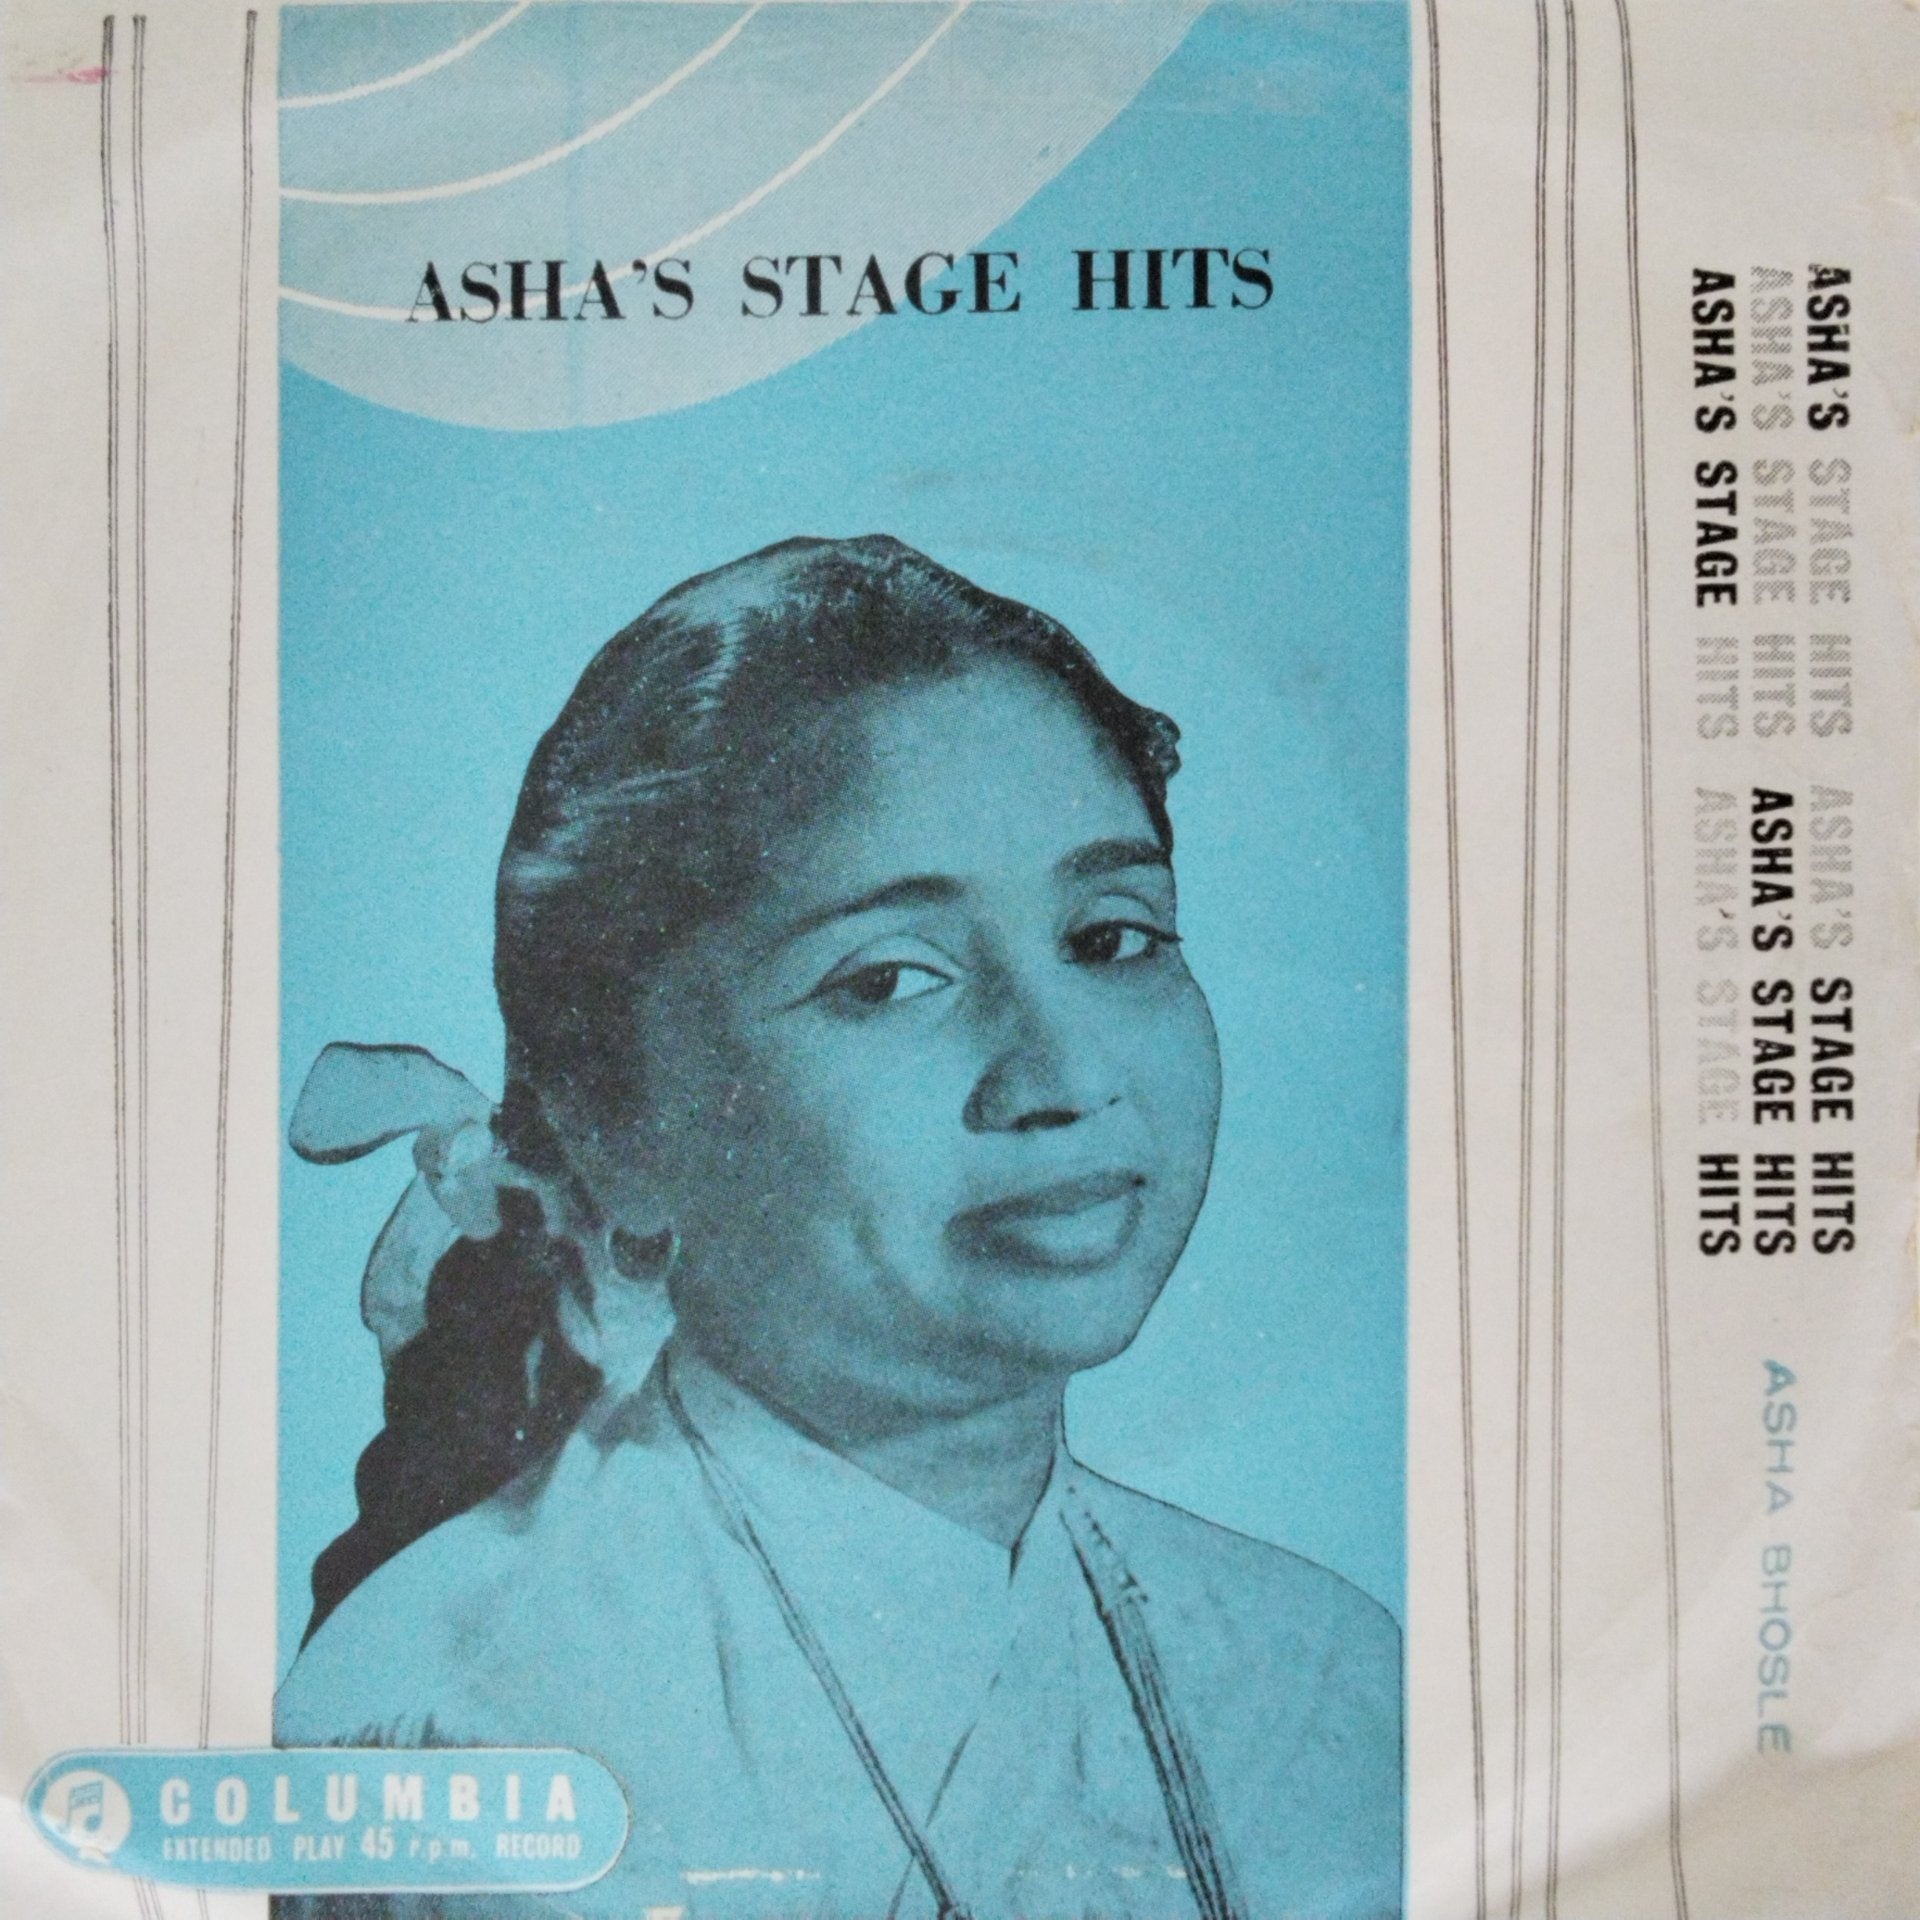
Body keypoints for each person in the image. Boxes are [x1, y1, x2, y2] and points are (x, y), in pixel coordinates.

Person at [274, 535, 1401, 1920]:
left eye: (1113, 938)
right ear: (615, 1121)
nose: (1062, 1076)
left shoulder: (1322, 1673)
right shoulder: (446, 1721)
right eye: (888, 980)